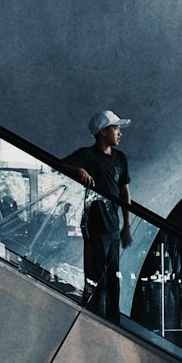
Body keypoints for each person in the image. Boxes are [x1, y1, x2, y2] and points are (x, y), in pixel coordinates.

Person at [61, 110, 132, 323]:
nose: (120, 133)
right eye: (116, 128)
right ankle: (95, 320)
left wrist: (126, 225)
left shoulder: (120, 158)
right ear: (103, 131)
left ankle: (113, 321)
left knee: (114, 276)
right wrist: (79, 170)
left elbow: (125, 191)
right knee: (97, 276)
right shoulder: (87, 155)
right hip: (94, 223)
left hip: (113, 225)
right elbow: (59, 164)